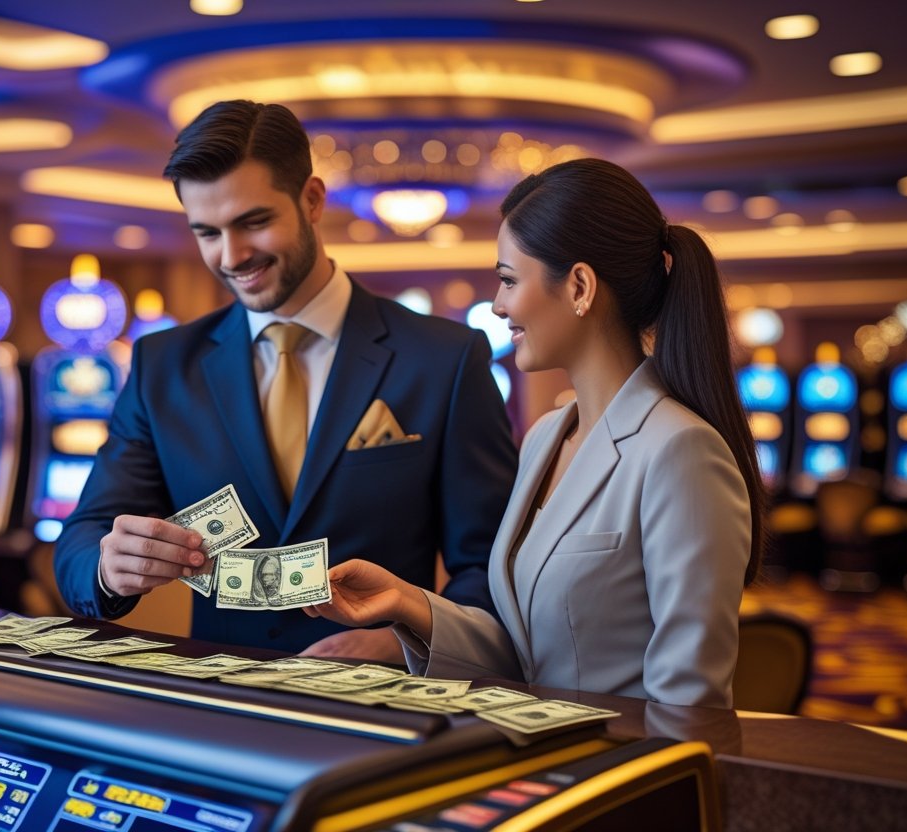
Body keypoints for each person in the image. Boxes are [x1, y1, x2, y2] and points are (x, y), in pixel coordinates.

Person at [54, 100, 519, 658]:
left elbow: (491, 567)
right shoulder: (163, 364)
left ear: (312, 200)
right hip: (226, 708)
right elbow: (81, 541)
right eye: (207, 232)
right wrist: (108, 565)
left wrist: (403, 641)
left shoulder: (443, 357)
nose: (232, 255)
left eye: (254, 222)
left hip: (388, 706)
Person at [308, 158, 764, 707]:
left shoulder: (680, 449)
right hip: (532, 756)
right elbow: (527, 658)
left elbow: (688, 702)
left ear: (579, 286)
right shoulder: (544, 438)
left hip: (612, 776)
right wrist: (407, 603)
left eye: (507, 280)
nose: (498, 305)